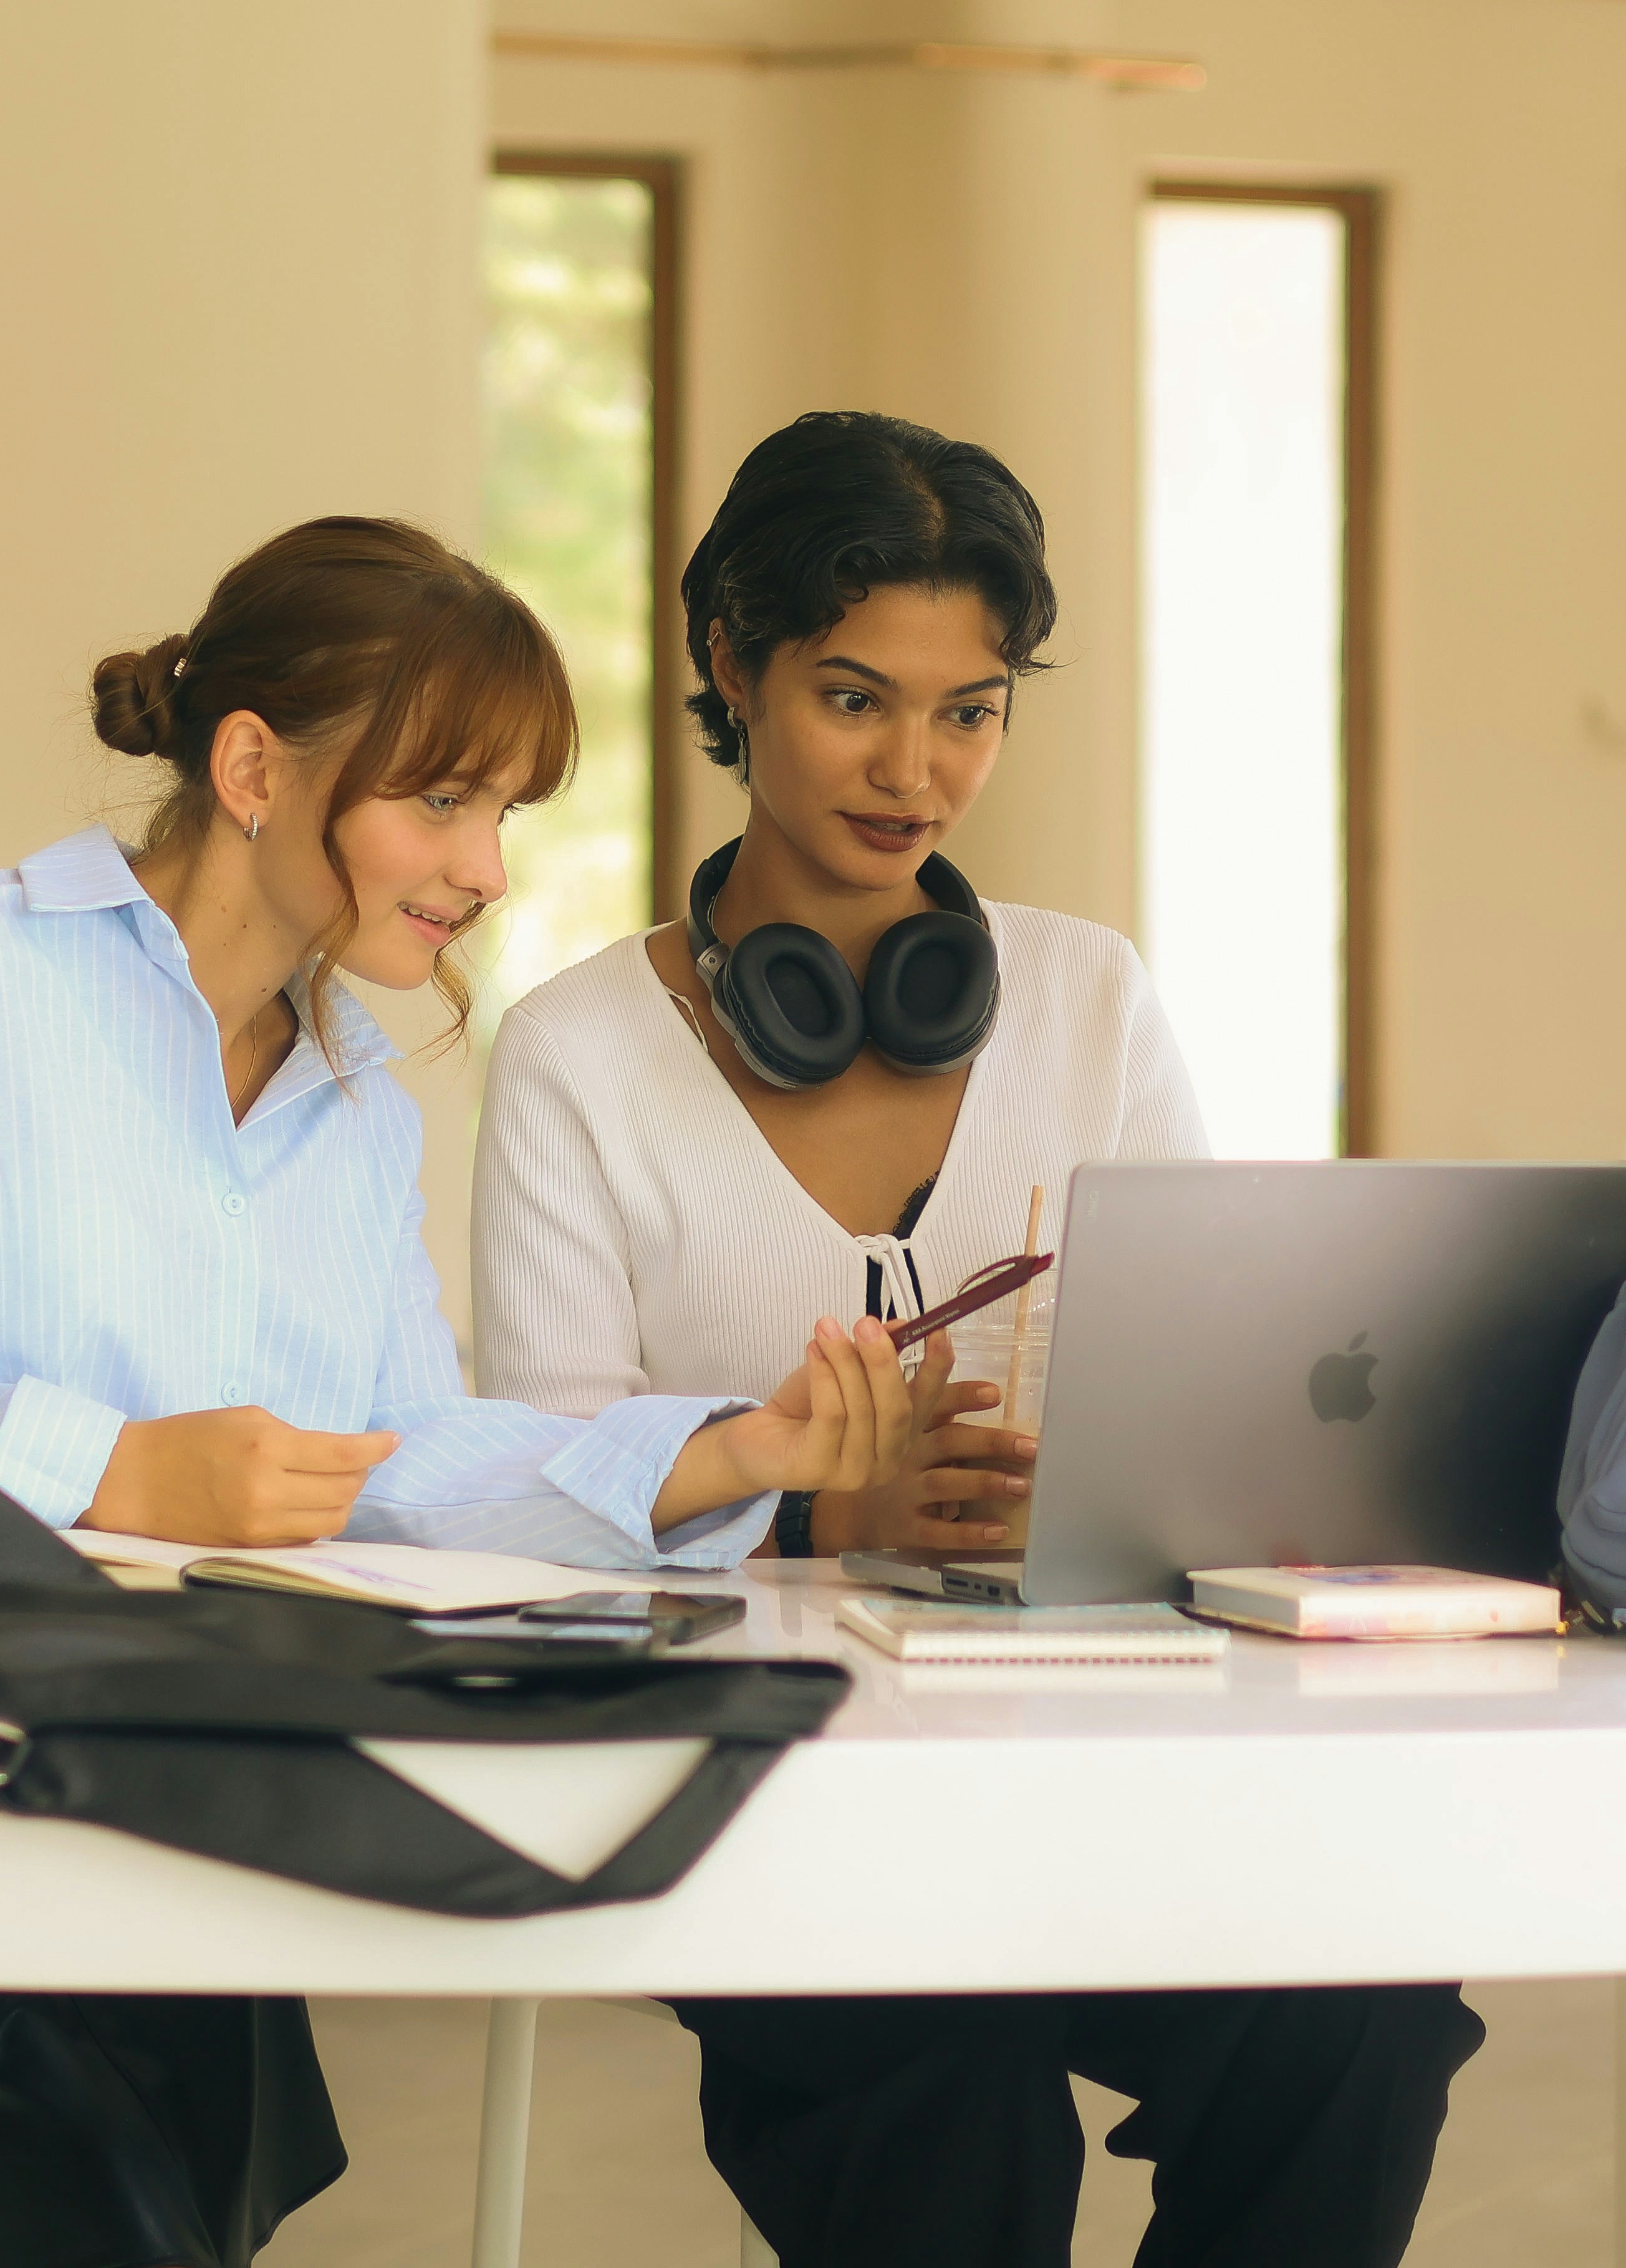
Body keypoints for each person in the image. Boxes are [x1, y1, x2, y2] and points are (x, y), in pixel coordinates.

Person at [0, 516, 948, 2268]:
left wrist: (722, 1453)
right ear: (256, 769)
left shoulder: (357, 1114)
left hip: (185, 1844)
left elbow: (396, 1465)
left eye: (507, 815)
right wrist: (110, 1469)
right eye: (445, 804)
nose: (487, 868)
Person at [473, 415, 1485, 2268]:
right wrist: (817, 1523)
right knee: (945, 2085)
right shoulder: (578, 1055)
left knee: (1364, 2022)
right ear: (732, 664)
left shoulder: (1090, 996)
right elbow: (535, 1499)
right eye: (857, 698)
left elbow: (1230, 1381)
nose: (916, 770)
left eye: (971, 710)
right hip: (764, 1790)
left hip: (1093, 1758)